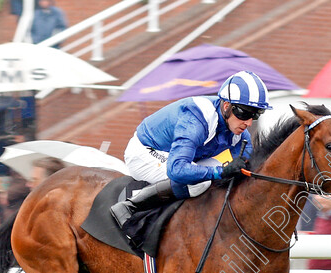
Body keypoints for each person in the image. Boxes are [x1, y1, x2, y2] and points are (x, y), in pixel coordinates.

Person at [109, 70, 269, 227]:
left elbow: (246, 173)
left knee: (219, 175)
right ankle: (130, 205)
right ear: (226, 106)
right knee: (202, 182)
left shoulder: (240, 133)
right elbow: (177, 170)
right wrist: (221, 172)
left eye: (255, 115)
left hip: (177, 158)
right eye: (245, 113)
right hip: (145, 152)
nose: (248, 123)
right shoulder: (196, 120)